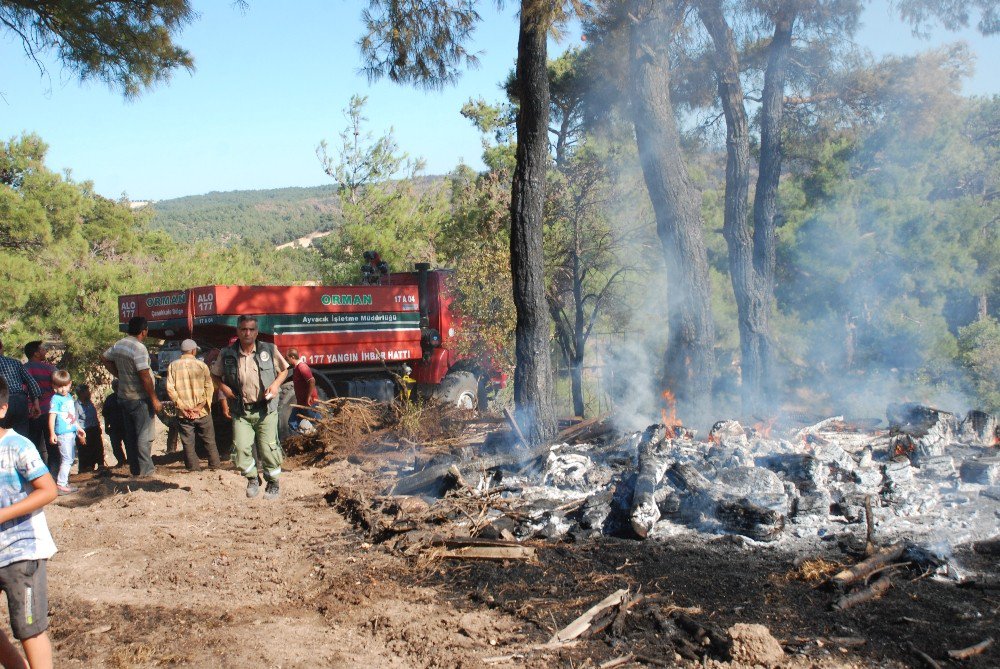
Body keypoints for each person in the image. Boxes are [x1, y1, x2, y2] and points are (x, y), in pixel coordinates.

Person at [0, 377, 57, 669]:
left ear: (2, 409)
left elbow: (48, 490)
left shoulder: (17, 446)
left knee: (29, 629)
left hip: (22, 553)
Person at [211, 315, 288, 500]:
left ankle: (273, 482)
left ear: (257, 331)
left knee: (269, 449)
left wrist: (276, 385)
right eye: (243, 329)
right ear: (237, 331)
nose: (247, 333)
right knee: (240, 449)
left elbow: (284, 370)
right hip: (241, 411)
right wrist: (224, 388)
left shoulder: (268, 350)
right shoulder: (227, 353)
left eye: (251, 329)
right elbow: (214, 375)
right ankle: (253, 479)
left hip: (265, 410)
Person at [101, 316, 162, 478]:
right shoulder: (139, 348)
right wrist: (154, 399)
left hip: (123, 396)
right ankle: (147, 472)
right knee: (144, 435)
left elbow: (104, 358)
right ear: (144, 331)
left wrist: (120, 375)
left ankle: (135, 469)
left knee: (131, 435)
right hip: (139, 397)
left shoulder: (119, 344)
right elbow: (144, 375)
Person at [166, 340, 222, 472]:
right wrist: (200, 406)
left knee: (188, 442)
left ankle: (193, 468)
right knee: (209, 440)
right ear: (193, 351)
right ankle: (215, 466)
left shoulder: (172, 366)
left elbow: (170, 389)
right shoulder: (202, 366)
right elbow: (209, 388)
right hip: (202, 411)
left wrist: (182, 407)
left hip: (183, 413)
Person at [47, 370, 83, 496]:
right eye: (59, 386)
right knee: (67, 459)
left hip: (70, 432)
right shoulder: (56, 399)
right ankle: (61, 484)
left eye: (65, 386)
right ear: (54, 386)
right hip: (62, 433)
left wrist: (78, 428)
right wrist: (52, 433)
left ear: (70, 384)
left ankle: (64, 482)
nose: (63, 389)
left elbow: (71, 416)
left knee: (70, 458)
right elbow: (52, 416)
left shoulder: (69, 397)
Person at [0, 339, 41, 441]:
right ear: (1, 348)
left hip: (1, 402)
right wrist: (35, 403)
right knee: (21, 435)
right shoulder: (15, 363)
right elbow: (32, 383)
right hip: (20, 401)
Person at [23, 342, 55, 465]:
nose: (45, 351)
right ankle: (53, 476)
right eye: (42, 349)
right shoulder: (49, 368)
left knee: (34, 444)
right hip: (49, 410)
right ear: (36, 353)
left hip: (32, 412)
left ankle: (37, 471)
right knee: (52, 444)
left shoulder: (24, 369)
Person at [285, 348, 320, 434]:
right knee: (292, 422)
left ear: (292, 357)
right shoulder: (296, 368)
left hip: (309, 402)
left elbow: (312, 381)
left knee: (318, 423)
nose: (287, 361)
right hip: (301, 403)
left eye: (287, 358)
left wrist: (309, 397)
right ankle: (308, 437)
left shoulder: (302, 367)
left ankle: (320, 435)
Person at [74, 385, 104, 473]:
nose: (89, 393)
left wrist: (98, 426)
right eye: (87, 391)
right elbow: (74, 421)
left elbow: (94, 416)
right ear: (81, 393)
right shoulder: (76, 406)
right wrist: (80, 435)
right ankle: (87, 468)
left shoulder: (90, 403)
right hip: (84, 431)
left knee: (98, 448)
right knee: (85, 451)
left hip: (94, 429)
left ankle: (100, 465)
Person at [101, 380, 127, 469]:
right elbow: (105, 414)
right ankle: (121, 461)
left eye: (118, 386)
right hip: (114, 426)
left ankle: (131, 461)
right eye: (115, 387)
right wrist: (106, 426)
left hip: (126, 425)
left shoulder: (127, 397)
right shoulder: (110, 399)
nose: (117, 388)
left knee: (129, 444)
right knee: (116, 446)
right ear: (113, 388)